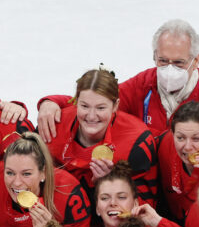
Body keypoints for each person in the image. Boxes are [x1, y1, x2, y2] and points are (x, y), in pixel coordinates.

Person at [36, 19, 199, 156]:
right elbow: (97, 102)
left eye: (179, 62)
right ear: (154, 56)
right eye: (163, 61)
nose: (169, 69)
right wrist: (52, 102)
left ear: (197, 60)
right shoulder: (143, 83)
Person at [43, 68, 158, 203]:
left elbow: (144, 210)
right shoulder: (53, 125)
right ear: (76, 102)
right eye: (84, 106)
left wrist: (109, 185)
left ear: (115, 106)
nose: (91, 116)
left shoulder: (137, 142)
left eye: (101, 108)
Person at [153, 101, 199, 223]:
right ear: (172, 134)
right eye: (180, 138)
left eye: (196, 138)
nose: (188, 147)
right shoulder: (164, 145)